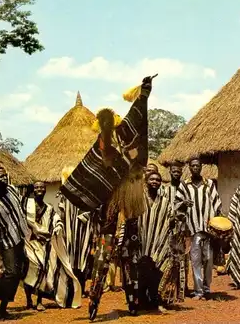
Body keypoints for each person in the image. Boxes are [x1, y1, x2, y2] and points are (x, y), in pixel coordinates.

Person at [60, 75, 155, 320]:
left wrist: (144, 93)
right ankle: (94, 306)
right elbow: (88, 177)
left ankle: (133, 304)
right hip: (110, 209)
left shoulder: (124, 136)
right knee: (103, 256)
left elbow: (137, 118)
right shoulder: (98, 151)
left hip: (130, 201)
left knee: (131, 254)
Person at [0, 166, 31, 321]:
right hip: (7, 242)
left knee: (17, 274)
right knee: (10, 273)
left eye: (5, 176)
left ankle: (2, 309)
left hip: (20, 238)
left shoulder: (12, 190)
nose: (3, 179)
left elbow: (21, 208)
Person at [23, 181, 82, 310]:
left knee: (42, 270)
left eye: (42, 187)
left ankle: (38, 301)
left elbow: (57, 220)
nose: (39, 189)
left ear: (45, 190)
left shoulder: (48, 208)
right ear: (33, 190)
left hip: (42, 244)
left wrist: (58, 227)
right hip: (28, 242)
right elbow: (20, 219)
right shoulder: (26, 204)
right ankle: (28, 300)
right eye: (37, 187)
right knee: (29, 270)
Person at [176, 157, 222, 300]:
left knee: (208, 260)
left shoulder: (209, 184)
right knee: (195, 261)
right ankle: (198, 291)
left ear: (201, 167)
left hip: (208, 230)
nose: (195, 168)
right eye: (193, 166)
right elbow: (176, 205)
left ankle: (207, 288)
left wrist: (217, 225)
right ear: (189, 168)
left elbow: (217, 204)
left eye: (197, 166)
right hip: (193, 229)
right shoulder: (184, 185)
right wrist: (184, 203)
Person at [57, 167, 94, 298]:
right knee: (69, 261)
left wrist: (82, 218)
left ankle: (81, 288)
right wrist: (61, 227)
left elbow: (92, 210)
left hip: (84, 232)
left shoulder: (88, 193)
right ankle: (70, 289)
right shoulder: (63, 194)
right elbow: (61, 213)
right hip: (68, 232)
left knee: (82, 261)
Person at [162, 161, 192, 298]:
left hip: (182, 228)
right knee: (169, 258)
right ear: (170, 172)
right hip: (168, 228)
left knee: (183, 259)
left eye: (178, 171)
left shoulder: (186, 189)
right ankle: (168, 287)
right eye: (174, 171)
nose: (176, 173)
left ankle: (182, 288)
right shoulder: (165, 189)